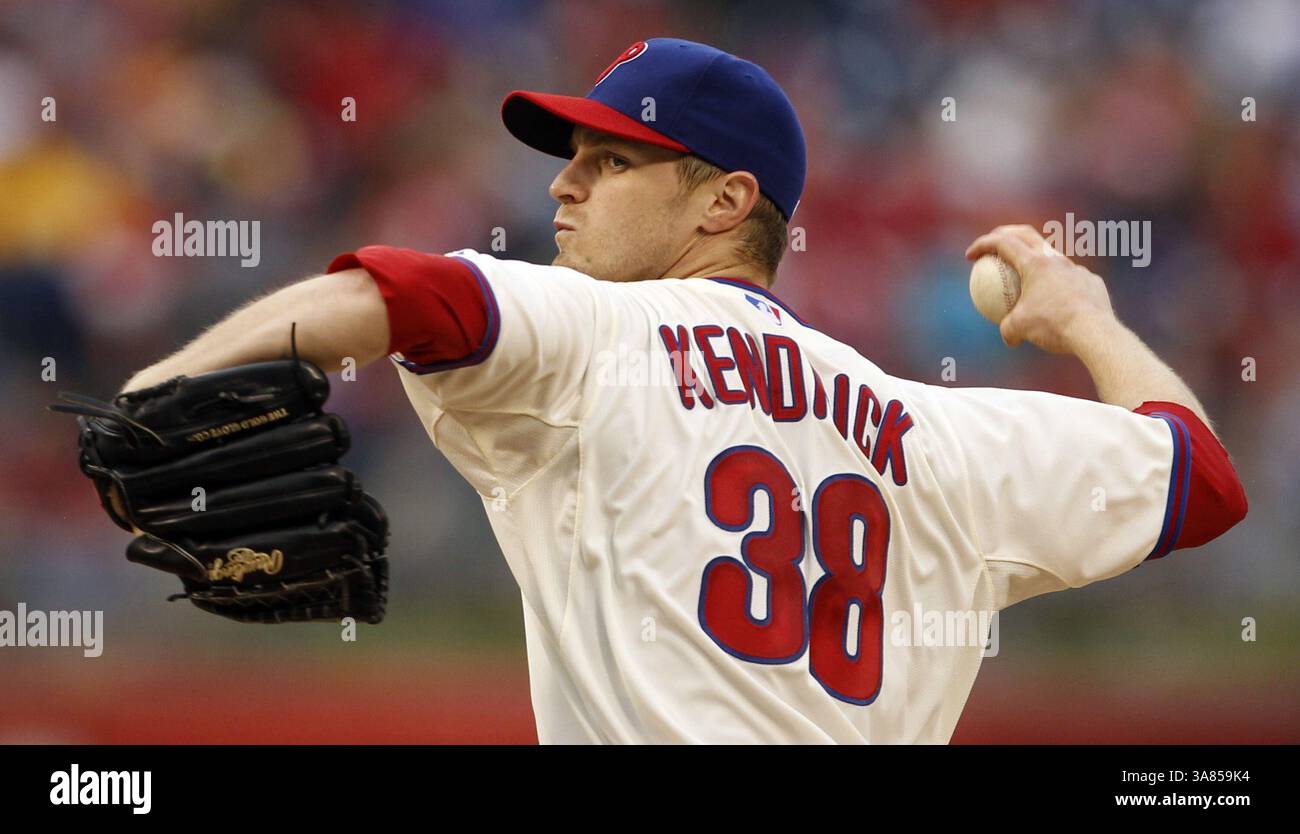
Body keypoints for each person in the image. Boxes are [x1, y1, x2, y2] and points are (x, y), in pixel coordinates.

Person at [120, 38, 1247, 743]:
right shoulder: (937, 430)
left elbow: (408, 296)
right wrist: (1087, 323)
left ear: (723, 204)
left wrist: (164, 392)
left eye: (610, 161)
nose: (564, 182)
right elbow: (1198, 479)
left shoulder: (604, 328)